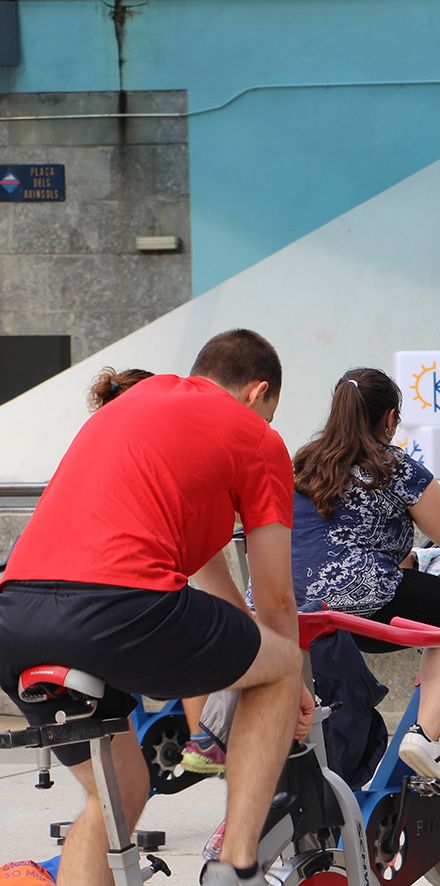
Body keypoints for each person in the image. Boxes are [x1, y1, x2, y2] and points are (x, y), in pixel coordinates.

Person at [0, 329, 307, 886]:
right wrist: (287, 679)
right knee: (285, 662)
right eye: (269, 413)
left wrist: (257, 654)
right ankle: (236, 867)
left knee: (118, 793)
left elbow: (215, 585)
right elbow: (278, 605)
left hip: (15, 617)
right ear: (258, 392)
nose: (267, 425)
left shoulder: (137, 404)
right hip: (118, 607)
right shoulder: (256, 439)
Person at [290, 367, 440, 784]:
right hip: (356, 602)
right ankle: (425, 736)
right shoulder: (391, 466)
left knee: (422, 603)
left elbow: (339, 534)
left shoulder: (304, 462)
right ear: (390, 418)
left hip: (285, 604)